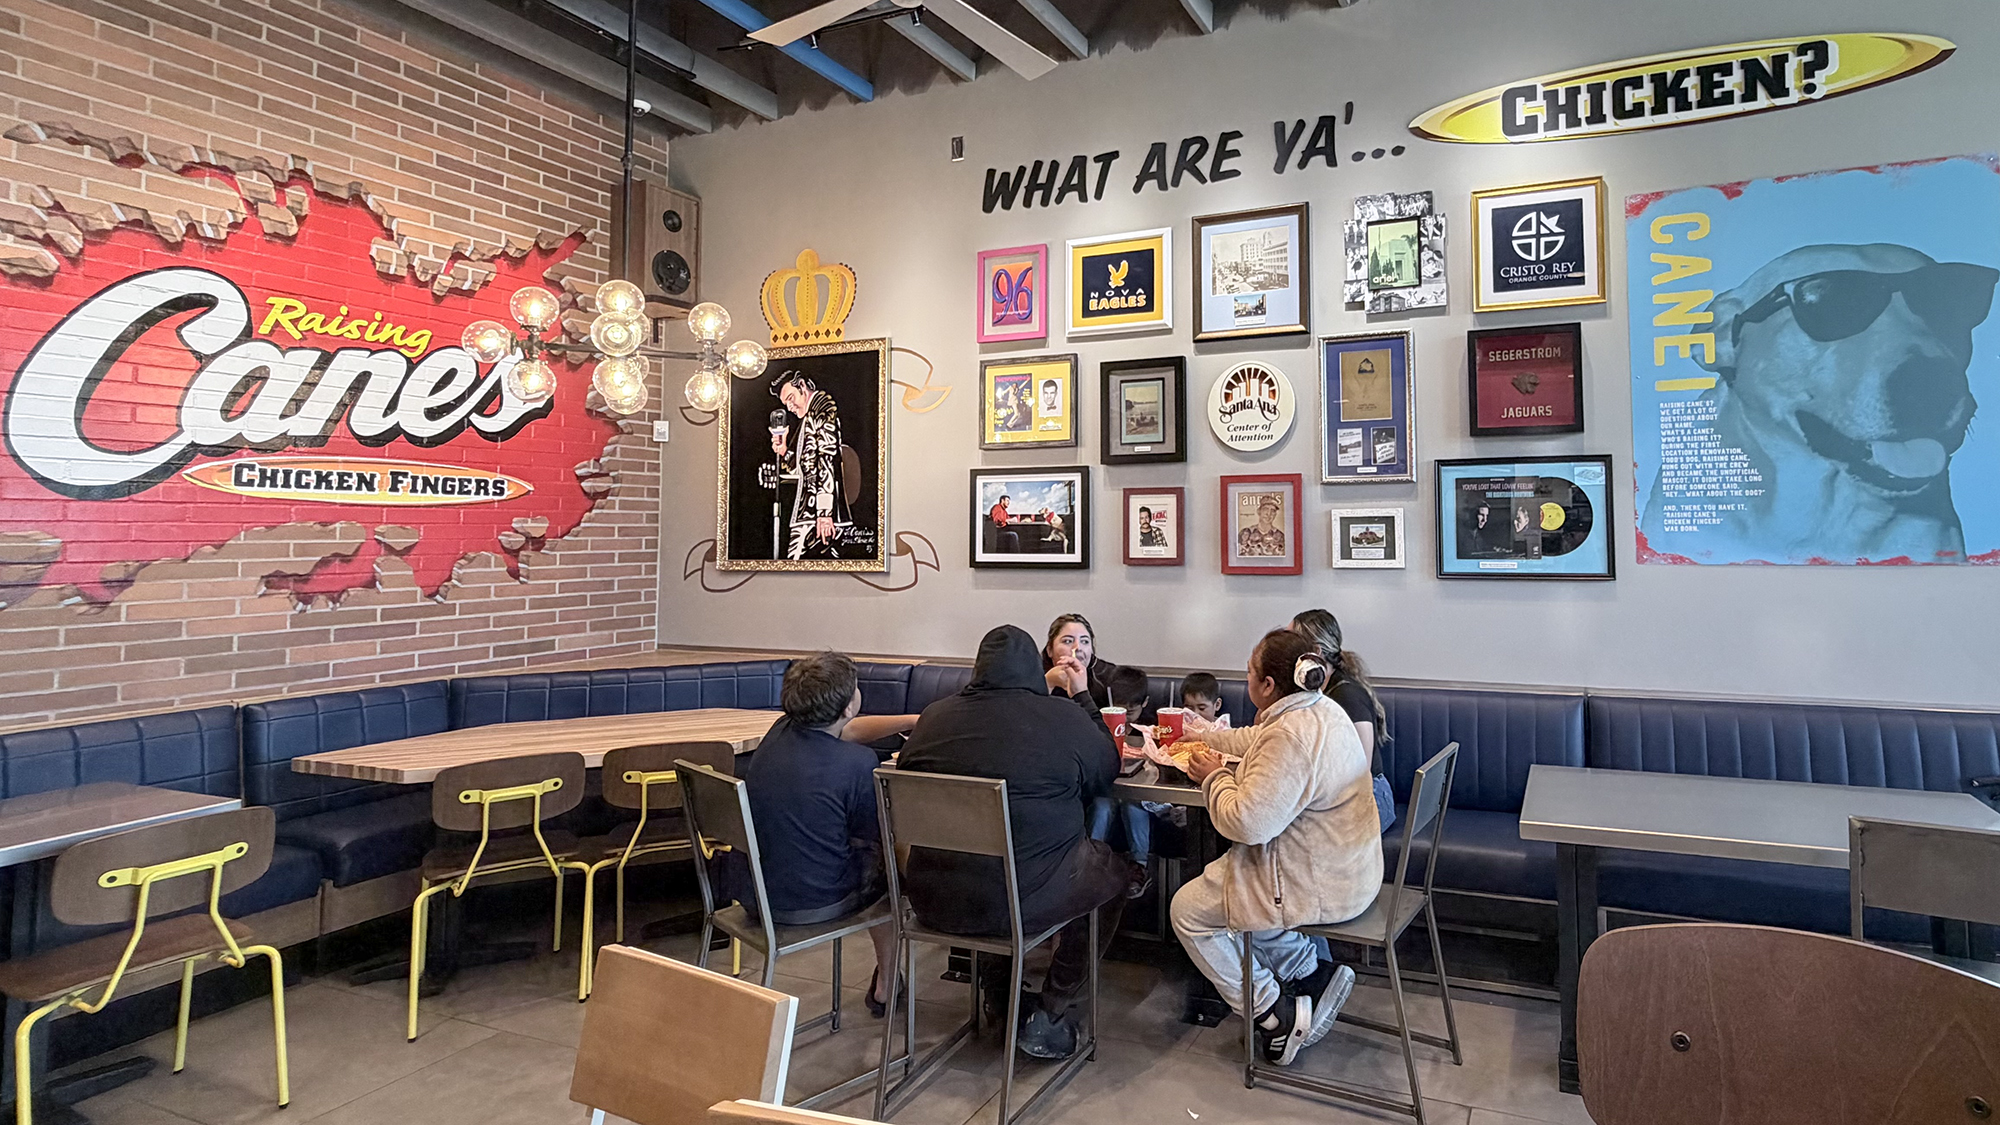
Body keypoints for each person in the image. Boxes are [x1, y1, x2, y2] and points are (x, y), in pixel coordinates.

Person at [898, 625, 1127, 1060]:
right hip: (1022, 900)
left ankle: (1001, 1001)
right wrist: (1083, 699)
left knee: (992, 865)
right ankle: (1053, 1010)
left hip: (933, 898)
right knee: (1112, 872)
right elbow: (1105, 771)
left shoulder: (935, 717)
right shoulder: (1061, 717)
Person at [1168, 629, 1381, 1067]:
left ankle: (1273, 1012)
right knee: (1232, 890)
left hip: (1317, 881)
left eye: (1249, 669)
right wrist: (1204, 738)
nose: (1245, 675)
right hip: (1347, 867)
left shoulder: (1291, 736)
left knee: (1189, 911)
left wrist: (1212, 777)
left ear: (1267, 685)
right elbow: (1255, 740)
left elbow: (1246, 824)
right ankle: (1310, 972)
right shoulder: (1318, 709)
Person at [739, 652, 919, 1017]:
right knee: (892, 878)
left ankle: (887, 982)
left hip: (753, 895)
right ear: (850, 705)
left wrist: (915, 720)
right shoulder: (857, 764)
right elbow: (877, 836)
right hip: (813, 903)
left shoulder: (779, 731)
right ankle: (887, 983)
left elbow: (845, 731)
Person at [1290, 609, 1395, 836]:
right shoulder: (1316, 688)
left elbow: (1360, 771)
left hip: (1370, 799)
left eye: (1292, 643)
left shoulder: (1347, 694)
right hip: (1342, 797)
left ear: (1315, 652)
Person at [1086, 665, 1164, 899]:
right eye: (1120, 709)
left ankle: (1139, 865)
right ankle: (1090, 863)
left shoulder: (1149, 728)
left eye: (1131, 711)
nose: (1127, 716)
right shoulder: (1099, 724)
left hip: (1137, 792)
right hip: (1106, 787)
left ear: (1145, 703)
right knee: (1101, 804)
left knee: (1133, 805)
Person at [771, 369, 851, 560]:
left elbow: (826, 460)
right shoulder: (810, 416)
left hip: (816, 516)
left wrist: (824, 514)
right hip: (810, 514)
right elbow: (805, 466)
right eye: (785, 403)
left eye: (791, 398)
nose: (790, 406)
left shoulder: (822, 412)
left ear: (803, 386)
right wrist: (783, 451)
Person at [1040, 612, 1119, 708]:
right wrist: (1047, 683)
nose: (1078, 647)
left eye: (1085, 641)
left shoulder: (1109, 677)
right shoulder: (1030, 676)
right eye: (1068, 641)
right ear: (1050, 650)